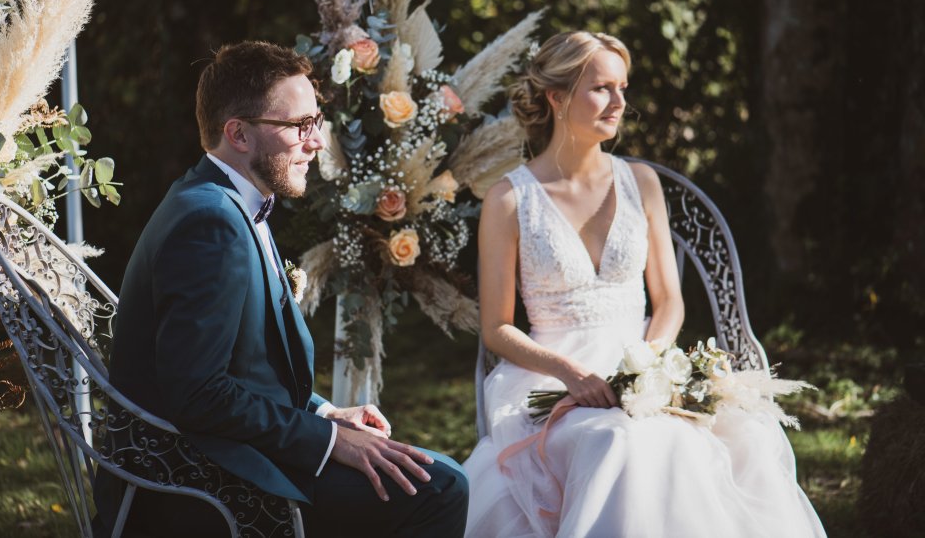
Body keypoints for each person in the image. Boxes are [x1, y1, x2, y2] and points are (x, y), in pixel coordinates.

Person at [92, 41, 468, 537]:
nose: (315, 142)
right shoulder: (210, 220)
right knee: (440, 489)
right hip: (203, 482)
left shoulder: (226, 201)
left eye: (316, 122)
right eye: (297, 127)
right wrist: (329, 441)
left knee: (437, 476)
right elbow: (199, 393)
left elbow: (243, 369)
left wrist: (326, 411)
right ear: (239, 134)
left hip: (231, 454)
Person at [462, 31, 826, 537]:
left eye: (623, 87)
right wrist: (571, 372)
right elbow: (498, 328)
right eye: (602, 88)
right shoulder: (508, 200)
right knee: (615, 442)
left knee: (696, 439)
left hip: (645, 365)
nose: (619, 103)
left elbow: (670, 301)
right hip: (553, 378)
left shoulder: (642, 184)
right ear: (557, 96)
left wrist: (647, 370)